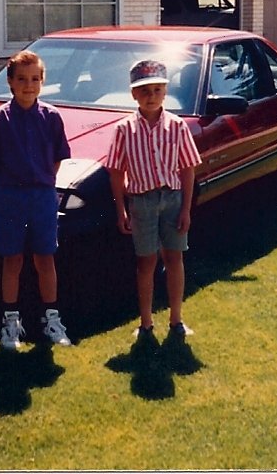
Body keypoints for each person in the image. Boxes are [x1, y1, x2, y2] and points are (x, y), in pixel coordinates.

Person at [0, 50, 73, 350]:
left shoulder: (52, 117)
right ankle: (10, 322)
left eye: (35, 79)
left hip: (43, 196)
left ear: (42, 82)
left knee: (45, 257)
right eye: (22, 79)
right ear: (10, 82)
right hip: (10, 197)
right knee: (12, 259)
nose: (28, 85)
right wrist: (7, 190)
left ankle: (52, 320)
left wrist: (42, 182)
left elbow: (57, 159)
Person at [106, 59, 202, 341]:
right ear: (134, 94)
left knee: (174, 257)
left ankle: (176, 320)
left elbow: (188, 168)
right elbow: (116, 172)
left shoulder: (177, 126)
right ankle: (146, 323)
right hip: (141, 202)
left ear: (165, 92)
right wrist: (121, 210)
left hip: (172, 199)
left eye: (157, 90)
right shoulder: (124, 130)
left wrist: (186, 208)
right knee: (145, 262)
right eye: (144, 91)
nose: (151, 97)